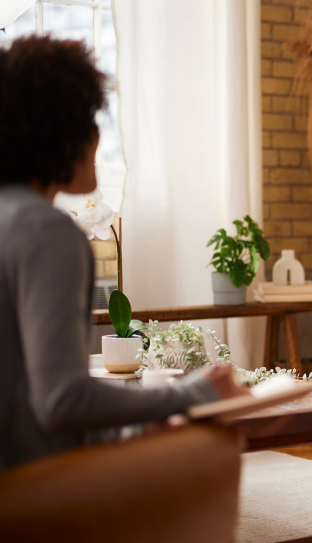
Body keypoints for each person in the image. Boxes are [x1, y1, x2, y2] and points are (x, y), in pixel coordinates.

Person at [0, 36, 247, 471]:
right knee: (204, 455)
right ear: (63, 132)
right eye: (90, 119)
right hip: (27, 499)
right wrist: (196, 391)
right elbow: (60, 401)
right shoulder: (47, 233)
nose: (98, 135)